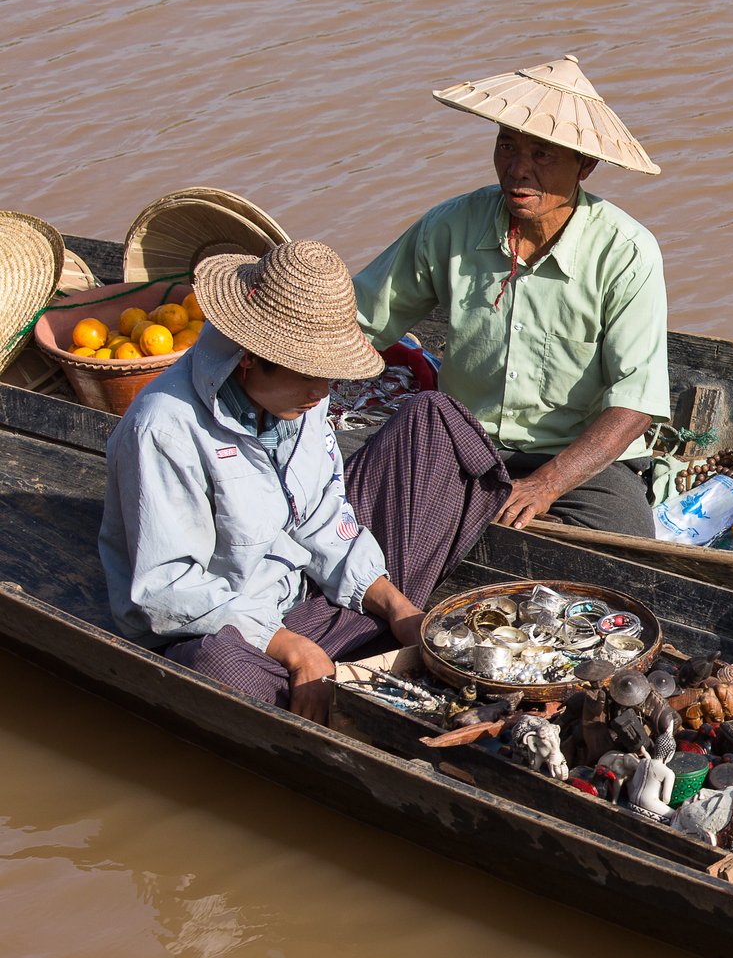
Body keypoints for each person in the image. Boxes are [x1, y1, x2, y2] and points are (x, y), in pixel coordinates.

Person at [99, 240, 511, 721]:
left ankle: (360, 644)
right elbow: (169, 591)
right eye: (310, 376)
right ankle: (332, 665)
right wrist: (293, 651)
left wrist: (396, 606)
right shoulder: (164, 429)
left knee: (435, 419)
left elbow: (324, 518)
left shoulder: (301, 401)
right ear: (251, 358)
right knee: (223, 670)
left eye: (329, 377)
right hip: (229, 629)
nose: (323, 393)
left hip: (303, 598)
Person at [354, 53, 668, 538]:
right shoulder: (451, 226)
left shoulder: (626, 251)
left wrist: (546, 484)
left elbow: (635, 403)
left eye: (542, 154)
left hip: (577, 461)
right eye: (507, 147)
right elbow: (362, 321)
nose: (518, 170)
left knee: (628, 554)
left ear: (585, 165)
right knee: (362, 515)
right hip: (463, 442)